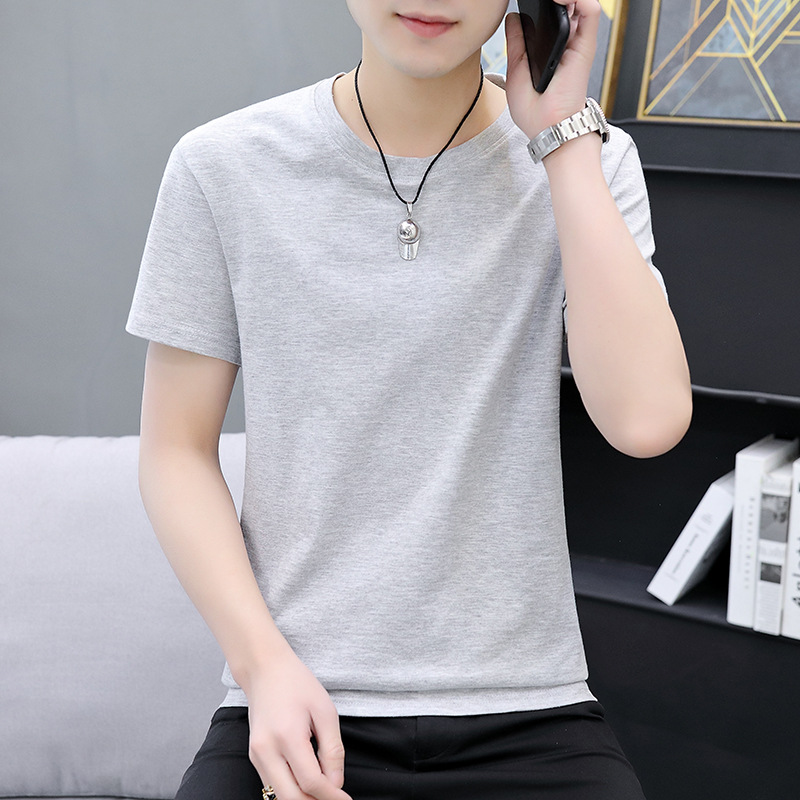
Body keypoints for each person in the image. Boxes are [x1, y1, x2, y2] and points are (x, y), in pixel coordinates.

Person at [127, 1, 692, 798]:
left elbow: (647, 422)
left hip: (530, 713)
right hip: (299, 700)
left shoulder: (588, 157)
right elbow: (174, 452)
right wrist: (263, 668)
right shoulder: (221, 166)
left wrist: (562, 142)